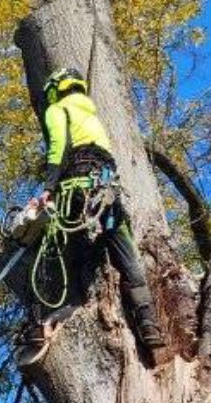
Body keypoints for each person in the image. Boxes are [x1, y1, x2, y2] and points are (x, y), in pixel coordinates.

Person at [15, 66, 168, 368]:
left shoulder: (58, 109)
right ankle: (148, 322)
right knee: (127, 255)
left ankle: (45, 319)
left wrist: (48, 188)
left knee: (57, 255)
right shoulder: (92, 116)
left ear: (56, 89)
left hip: (78, 189)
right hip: (107, 193)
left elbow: (58, 148)